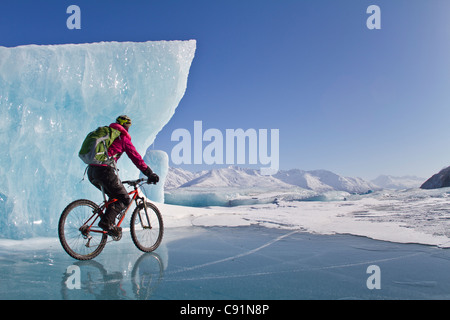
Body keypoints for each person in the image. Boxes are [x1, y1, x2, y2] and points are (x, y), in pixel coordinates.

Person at [87, 115, 159, 235]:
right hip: (104, 171)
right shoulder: (122, 138)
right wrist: (149, 173)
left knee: (114, 197)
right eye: (128, 126)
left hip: (91, 171)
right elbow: (136, 158)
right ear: (126, 126)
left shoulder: (109, 136)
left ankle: (110, 226)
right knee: (125, 199)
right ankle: (106, 223)